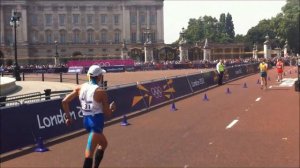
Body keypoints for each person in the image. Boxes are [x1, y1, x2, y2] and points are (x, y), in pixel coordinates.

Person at [62, 65, 116, 168]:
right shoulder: (101, 92)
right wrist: (112, 108)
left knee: (104, 144)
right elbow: (108, 113)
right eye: (101, 75)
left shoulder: (80, 88)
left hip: (87, 121)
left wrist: (68, 117)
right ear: (99, 77)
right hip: (96, 123)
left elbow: (64, 101)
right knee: (88, 156)